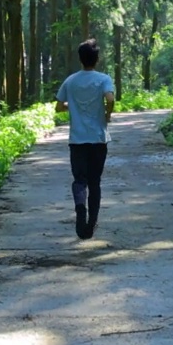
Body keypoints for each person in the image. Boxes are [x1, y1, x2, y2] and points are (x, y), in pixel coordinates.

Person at [55, 39, 116, 240]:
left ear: (80, 59)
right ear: (96, 59)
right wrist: (107, 114)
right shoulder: (103, 79)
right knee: (95, 182)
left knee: (79, 180)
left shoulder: (70, 81)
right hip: (98, 139)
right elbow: (110, 98)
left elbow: (58, 106)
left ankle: (80, 208)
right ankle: (91, 223)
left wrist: (71, 107)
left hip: (77, 140)